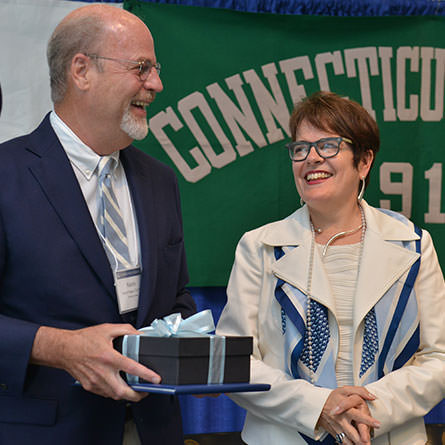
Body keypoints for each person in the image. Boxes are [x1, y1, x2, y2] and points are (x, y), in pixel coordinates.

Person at [0, 4, 196, 444]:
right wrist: (60, 348)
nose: (157, 84)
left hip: (153, 430)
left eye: (155, 69)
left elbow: (176, 299)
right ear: (81, 71)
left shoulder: (160, 182)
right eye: (141, 67)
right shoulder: (6, 176)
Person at [216, 91, 445, 445]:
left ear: (364, 161)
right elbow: (234, 363)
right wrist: (318, 407)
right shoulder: (258, 247)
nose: (311, 158)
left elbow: (438, 358)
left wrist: (368, 411)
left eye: (328, 146)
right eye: (300, 148)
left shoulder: (413, 244)